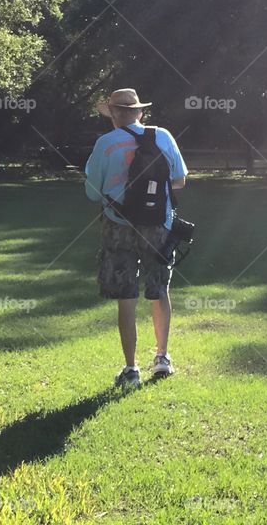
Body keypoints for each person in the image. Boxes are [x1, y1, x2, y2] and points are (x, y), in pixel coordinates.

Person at [84, 88, 188, 388]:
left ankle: (131, 370)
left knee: (126, 295)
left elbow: (92, 192)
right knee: (159, 290)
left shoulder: (105, 143)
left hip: (118, 225)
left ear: (114, 114)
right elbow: (180, 179)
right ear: (140, 113)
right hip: (158, 225)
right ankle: (162, 359)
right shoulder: (162, 137)